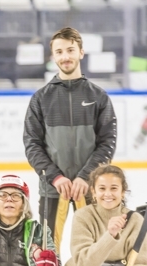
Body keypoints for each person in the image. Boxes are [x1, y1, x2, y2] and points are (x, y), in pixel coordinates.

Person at [23, 26, 117, 244]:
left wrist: (87, 177)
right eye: (59, 52)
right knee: (48, 251)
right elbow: (32, 144)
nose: (65, 56)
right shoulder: (41, 98)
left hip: (92, 188)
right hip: (53, 189)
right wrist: (55, 177)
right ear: (53, 56)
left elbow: (107, 143)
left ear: (81, 52)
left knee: (96, 247)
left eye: (70, 50)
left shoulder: (99, 97)